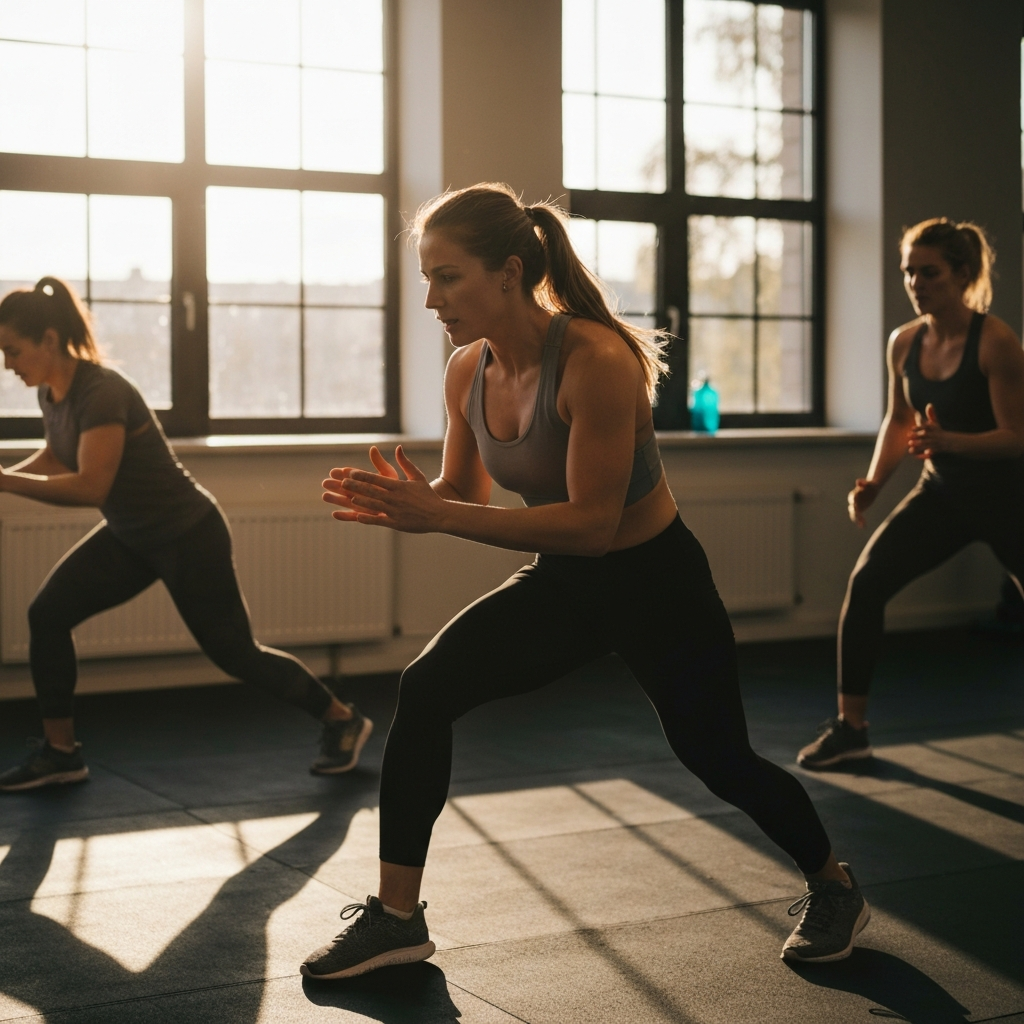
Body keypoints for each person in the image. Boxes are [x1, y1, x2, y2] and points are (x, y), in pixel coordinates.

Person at [299, 183, 869, 980]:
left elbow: (593, 524)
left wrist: (443, 519)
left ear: (507, 271)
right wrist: (423, 502)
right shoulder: (468, 371)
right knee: (426, 688)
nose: (430, 299)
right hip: (567, 581)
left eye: (447, 277)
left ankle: (833, 884)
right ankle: (397, 918)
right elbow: (468, 492)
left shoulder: (597, 361)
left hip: (654, 582)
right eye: (425, 278)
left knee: (718, 757)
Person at [0, 277, 373, 792]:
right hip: (132, 535)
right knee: (48, 614)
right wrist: (6, 474)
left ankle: (341, 718)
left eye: (11, 350)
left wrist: (2, 481)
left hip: (187, 535)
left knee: (236, 654)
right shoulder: (53, 392)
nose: (6, 364)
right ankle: (61, 753)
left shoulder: (104, 391)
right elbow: (59, 456)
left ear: (47, 340)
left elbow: (90, 485)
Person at [798, 219, 1024, 770]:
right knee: (868, 583)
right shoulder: (904, 342)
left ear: (962, 275)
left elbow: (1016, 438)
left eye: (930, 272)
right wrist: (874, 483)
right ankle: (852, 730)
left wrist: (950, 440)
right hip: (943, 491)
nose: (917, 283)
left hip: (1008, 495)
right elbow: (899, 420)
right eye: (909, 272)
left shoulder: (996, 341)